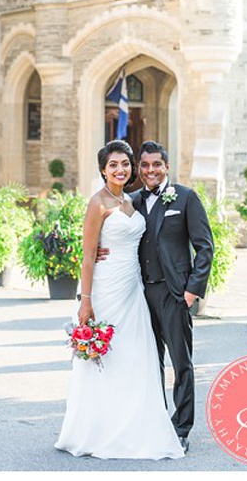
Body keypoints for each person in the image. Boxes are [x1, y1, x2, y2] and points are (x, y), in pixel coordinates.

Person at [55, 140, 184, 459]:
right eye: (113, 164)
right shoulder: (97, 203)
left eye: (126, 164)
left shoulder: (132, 201)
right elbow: (87, 258)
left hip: (133, 288)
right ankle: (96, 430)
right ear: (103, 169)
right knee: (106, 357)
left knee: (134, 357)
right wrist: (85, 300)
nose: (120, 169)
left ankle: (134, 426)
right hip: (105, 288)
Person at [128, 140, 214, 453]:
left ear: (166, 165)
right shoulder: (133, 200)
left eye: (156, 165)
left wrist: (192, 291)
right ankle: (153, 422)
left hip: (174, 293)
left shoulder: (186, 198)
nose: (151, 170)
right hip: (140, 293)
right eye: (145, 165)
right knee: (149, 363)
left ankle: (181, 427)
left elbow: (205, 247)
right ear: (139, 168)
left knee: (181, 363)